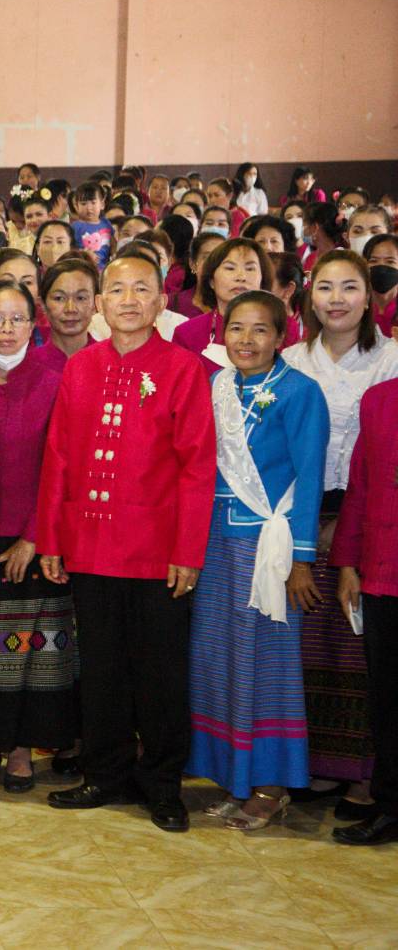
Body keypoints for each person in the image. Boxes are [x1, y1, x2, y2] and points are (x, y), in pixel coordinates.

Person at [38, 253, 216, 833]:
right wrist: (51, 539)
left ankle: (162, 783)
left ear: (163, 302)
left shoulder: (183, 368)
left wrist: (189, 551)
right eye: (117, 290)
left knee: (160, 673)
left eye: (143, 289)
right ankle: (105, 771)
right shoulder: (82, 367)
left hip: (157, 552)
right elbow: (59, 457)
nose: (130, 300)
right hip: (90, 546)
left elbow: (197, 467)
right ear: (99, 302)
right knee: (103, 669)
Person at [188, 291, 328, 830]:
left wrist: (301, 560)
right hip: (214, 544)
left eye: (260, 330)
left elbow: (310, 480)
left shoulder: (300, 393)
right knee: (217, 657)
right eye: (236, 329)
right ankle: (233, 777)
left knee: (266, 664)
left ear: (281, 335)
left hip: (269, 550)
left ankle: (269, 784)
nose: (246, 340)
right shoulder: (215, 386)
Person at [282, 251, 398, 818]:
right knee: (307, 650)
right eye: (324, 287)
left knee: (363, 654)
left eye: (349, 287)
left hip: (372, 521)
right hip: (300, 520)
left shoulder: (392, 361)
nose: (336, 299)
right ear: (308, 296)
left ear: (369, 298)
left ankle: (368, 777)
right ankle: (320, 768)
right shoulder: (290, 360)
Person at [0, 281, 77, 794]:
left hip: (33, 536)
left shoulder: (57, 377)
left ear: (34, 324)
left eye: (17, 319)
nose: (6, 329)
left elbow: (63, 465)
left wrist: (34, 537)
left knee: (30, 651)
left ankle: (22, 747)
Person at [330, 374, 398, 844]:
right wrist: (348, 564)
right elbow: (360, 486)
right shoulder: (379, 400)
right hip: (383, 572)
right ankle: (391, 805)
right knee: (389, 699)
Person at [173, 239, 274, 371]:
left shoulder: (282, 328)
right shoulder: (187, 333)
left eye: (250, 268)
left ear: (263, 279)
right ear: (211, 281)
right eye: (230, 268)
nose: (241, 277)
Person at [31, 256, 98, 371]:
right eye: (59, 298)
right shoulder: (28, 366)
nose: (70, 309)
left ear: (96, 304)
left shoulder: (111, 363)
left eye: (81, 298)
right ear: (42, 305)